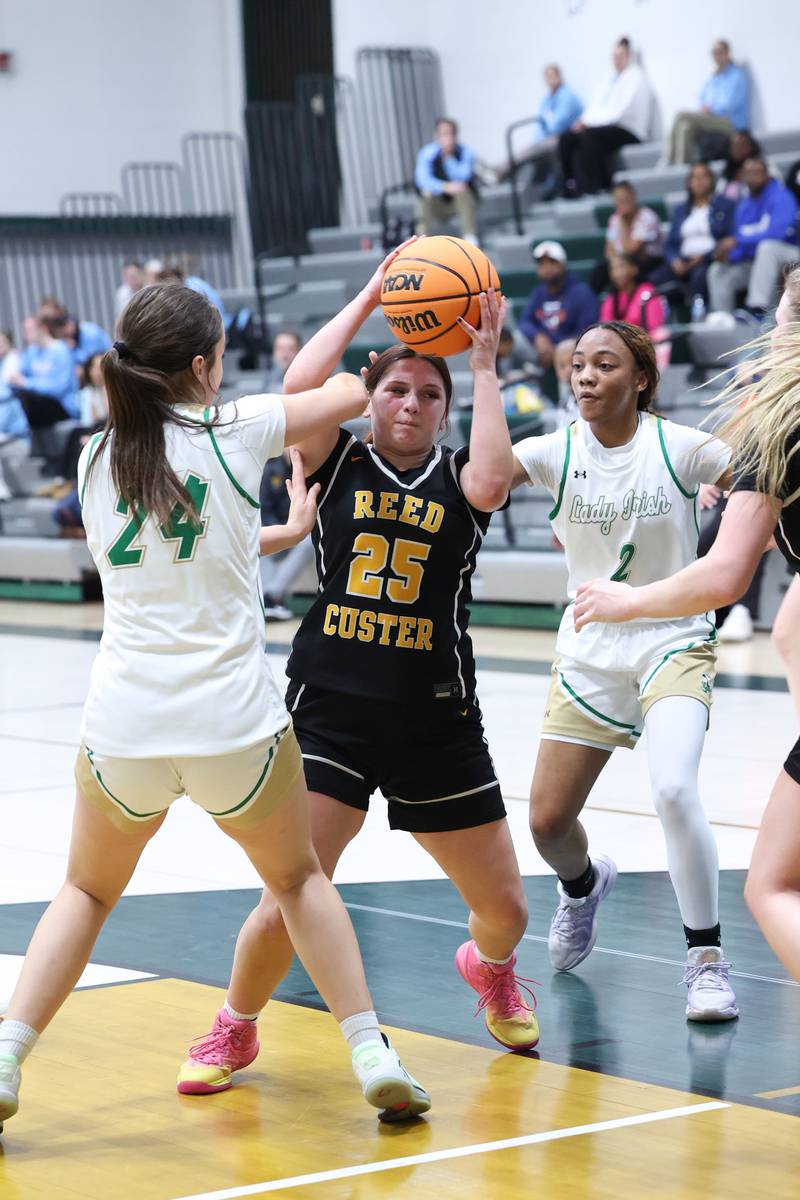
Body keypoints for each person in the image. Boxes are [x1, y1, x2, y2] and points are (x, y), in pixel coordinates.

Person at [0, 283, 431, 1133]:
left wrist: (275, 533)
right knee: (300, 879)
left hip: (125, 727)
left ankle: (8, 1053)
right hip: (235, 728)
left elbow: (185, 534)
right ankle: (372, 1051)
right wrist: (377, 298)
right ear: (202, 366)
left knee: (85, 892)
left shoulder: (93, 458)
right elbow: (348, 390)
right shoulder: (233, 431)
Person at [175, 254, 540, 1099]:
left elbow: (492, 478)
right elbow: (302, 379)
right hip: (331, 708)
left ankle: (488, 969)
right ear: (368, 399)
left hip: (437, 717)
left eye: (429, 395)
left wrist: (483, 364)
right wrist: (379, 295)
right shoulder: (332, 457)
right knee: (291, 889)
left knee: (509, 910)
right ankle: (235, 1026)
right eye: (394, 390)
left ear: (447, 410)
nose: (410, 405)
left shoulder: (459, 473)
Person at [573, 267, 800, 983]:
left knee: (773, 885)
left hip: (667, 602)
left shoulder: (779, 424)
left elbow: (724, 574)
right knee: (791, 624)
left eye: (784, 314)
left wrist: (626, 601)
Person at [511, 320, 739, 1021]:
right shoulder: (554, 450)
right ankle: (582, 887)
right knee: (548, 824)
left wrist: (724, 496)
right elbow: (481, 475)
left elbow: (760, 481)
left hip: (671, 639)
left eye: (603, 365)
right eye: (577, 364)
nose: (585, 375)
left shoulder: (679, 447)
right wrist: (485, 371)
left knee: (672, 787)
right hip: (589, 650)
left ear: (639, 379)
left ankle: (705, 959)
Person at [558, 38, 652, 198]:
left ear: (629, 56)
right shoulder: (608, 82)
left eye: (621, 55)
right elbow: (594, 109)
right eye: (614, 56)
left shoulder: (636, 77)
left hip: (628, 129)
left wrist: (588, 123)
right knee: (567, 138)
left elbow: (619, 112)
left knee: (589, 136)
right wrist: (583, 122)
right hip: (604, 126)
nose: (617, 60)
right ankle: (570, 184)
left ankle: (598, 185)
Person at [708, 157, 799, 317]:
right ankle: (723, 319)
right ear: (742, 176)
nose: (752, 177)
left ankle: (757, 308)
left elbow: (777, 234)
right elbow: (741, 243)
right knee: (717, 271)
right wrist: (729, 256)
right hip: (757, 263)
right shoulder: (743, 206)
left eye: (757, 173)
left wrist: (737, 241)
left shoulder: (781, 196)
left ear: (766, 174)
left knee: (767, 248)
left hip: (791, 255)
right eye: (748, 173)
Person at [651, 163, 736, 305]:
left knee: (699, 276)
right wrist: (674, 260)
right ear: (689, 183)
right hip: (683, 259)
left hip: (709, 259)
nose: (699, 181)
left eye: (704, 177)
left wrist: (703, 257)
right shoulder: (681, 210)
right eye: (695, 178)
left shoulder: (725, 205)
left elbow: (727, 239)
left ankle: (699, 312)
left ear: (712, 180)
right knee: (655, 278)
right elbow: (670, 242)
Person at [666, 40, 751, 165]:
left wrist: (710, 110)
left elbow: (731, 104)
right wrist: (706, 110)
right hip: (711, 121)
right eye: (714, 53)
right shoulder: (712, 79)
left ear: (728, 54)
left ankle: (667, 158)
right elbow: (703, 101)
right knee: (685, 127)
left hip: (730, 123)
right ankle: (680, 168)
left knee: (680, 115)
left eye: (719, 52)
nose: (716, 56)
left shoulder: (737, 75)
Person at [496, 65, 583, 187]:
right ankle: (503, 174)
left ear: (559, 77)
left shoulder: (567, 96)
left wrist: (539, 140)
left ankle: (500, 171)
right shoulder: (547, 99)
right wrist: (537, 141)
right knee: (530, 150)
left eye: (552, 76)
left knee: (530, 151)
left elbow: (556, 126)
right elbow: (540, 126)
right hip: (548, 141)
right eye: (547, 77)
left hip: (564, 139)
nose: (550, 80)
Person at [518, 241, 599, 369]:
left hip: (570, 348)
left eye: (552, 262)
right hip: (542, 350)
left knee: (568, 349)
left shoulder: (580, 292)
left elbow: (587, 329)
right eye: (541, 263)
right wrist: (538, 337)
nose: (547, 267)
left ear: (563, 264)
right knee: (515, 339)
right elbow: (524, 321)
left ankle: (567, 388)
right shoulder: (539, 292)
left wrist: (557, 347)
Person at [591, 180, 664, 293]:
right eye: (618, 200)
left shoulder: (647, 216)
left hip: (650, 263)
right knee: (602, 269)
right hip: (623, 261)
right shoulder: (614, 219)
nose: (622, 202)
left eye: (625, 198)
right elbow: (608, 251)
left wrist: (624, 224)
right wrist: (616, 264)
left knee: (625, 270)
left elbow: (631, 250)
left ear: (633, 197)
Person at [599, 253, 671, 368]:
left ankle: (657, 378)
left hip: (646, 346)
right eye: (613, 268)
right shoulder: (610, 300)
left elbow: (653, 326)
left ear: (634, 269)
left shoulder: (648, 293)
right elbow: (605, 330)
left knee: (661, 335)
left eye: (621, 266)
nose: (617, 272)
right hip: (618, 349)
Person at [8, 315, 79, 429]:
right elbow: (18, 377)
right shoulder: (32, 351)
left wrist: (27, 383)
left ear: (43, 328)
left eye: (29, 330)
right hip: (42, 409)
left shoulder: (60, 350)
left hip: (62, 406)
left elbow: (59, 387)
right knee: (19, 396)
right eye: (24, 331)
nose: (25, 335)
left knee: (28, 396)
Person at [415, 118, 479, 243]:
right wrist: (444, 187)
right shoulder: (427, 153)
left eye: (451, 133)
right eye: (444, 134)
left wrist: (448, 157)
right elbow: (422, 180)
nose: (448, 138)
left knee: (462, 191)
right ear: (436, 136)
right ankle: (420, 239)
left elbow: (464, 177)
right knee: (426, 194)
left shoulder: (466, 152)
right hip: (436, 202)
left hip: (458, 202)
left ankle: (470, 236)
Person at [718, 130, 762, 203]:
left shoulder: (764, 168)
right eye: (734, 145)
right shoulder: (725, 174)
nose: (737, 149)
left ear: (751, 146)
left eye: (742, 144)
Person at [263, 329, 303, 394]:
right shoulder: (269, 378)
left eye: (290, 349)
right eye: (280, 348)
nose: (284, 354)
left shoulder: (307, 381)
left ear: (299, 351)